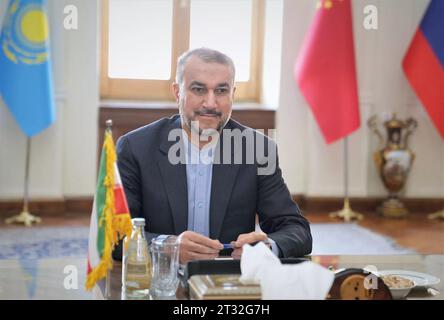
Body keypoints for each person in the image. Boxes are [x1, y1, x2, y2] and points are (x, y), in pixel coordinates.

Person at [116, 48, 312, 264]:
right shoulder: (135, 148)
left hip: (229, 284)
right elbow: (115, 237)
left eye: (221, 91)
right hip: (158, 282)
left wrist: (268, 247)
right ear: (177, 92)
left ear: (232, 94)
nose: (210, 103)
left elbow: (296, 230)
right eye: (198, 89)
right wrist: (167, 247)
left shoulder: (257, 149)